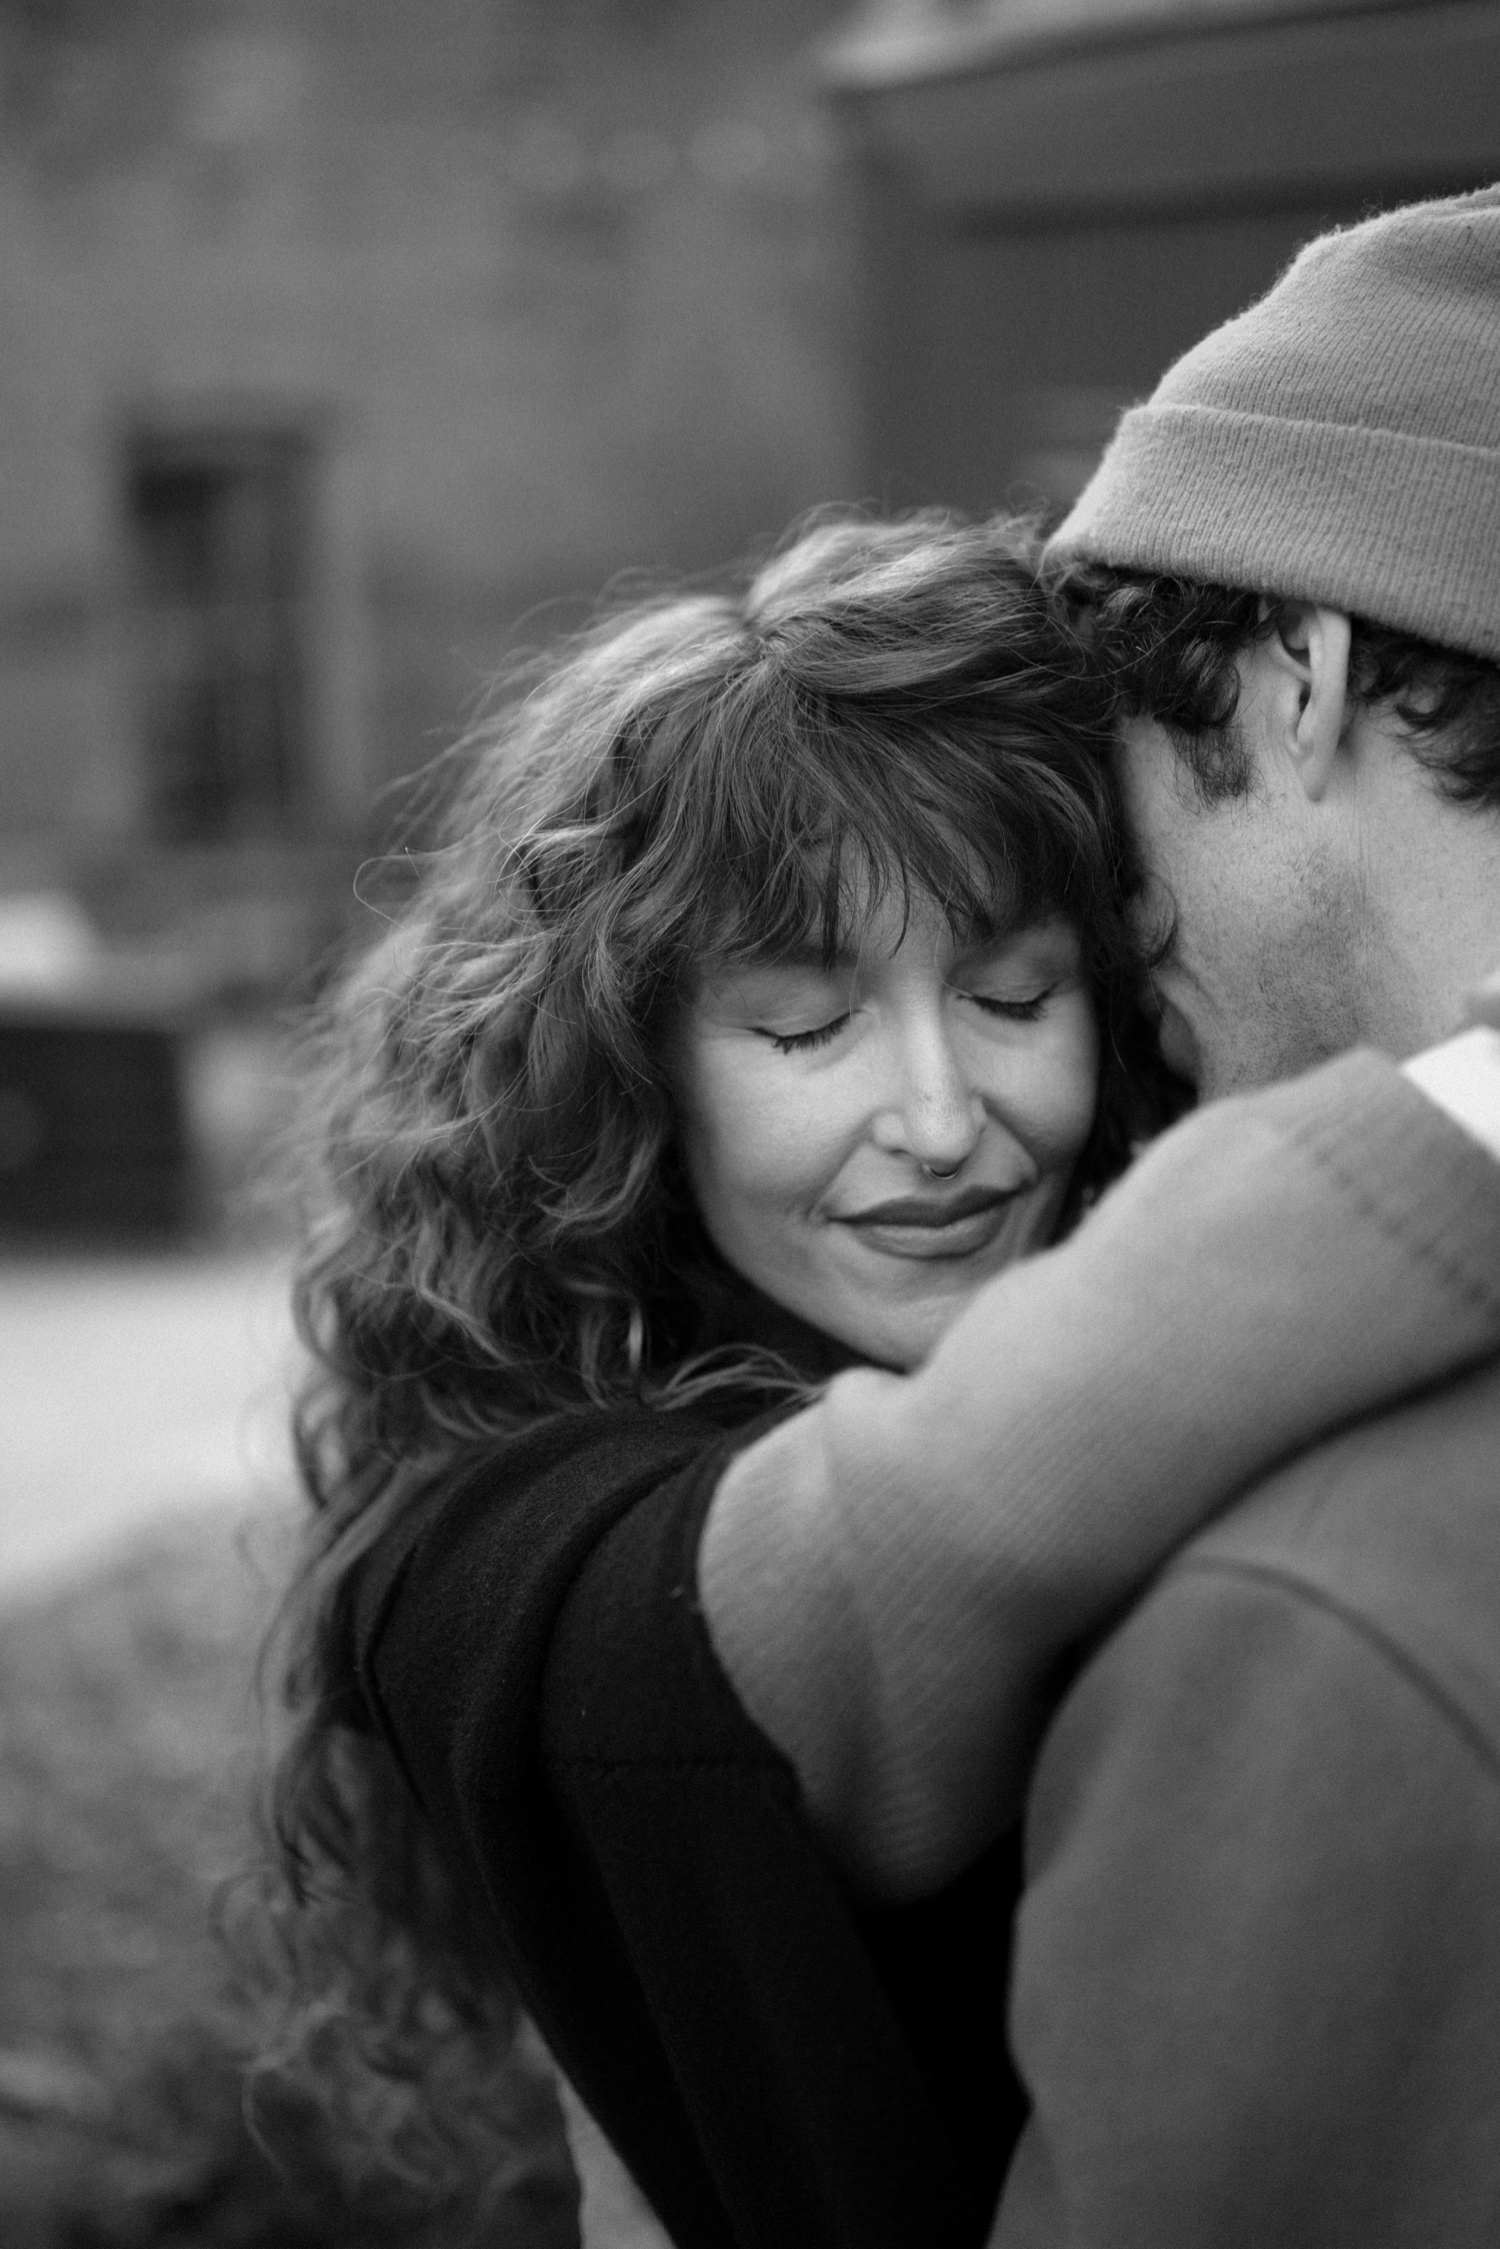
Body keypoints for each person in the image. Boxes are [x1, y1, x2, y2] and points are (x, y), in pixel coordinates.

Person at [265, 509, 1498, 2249]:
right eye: (802, 1026)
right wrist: (1461, 1112)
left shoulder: (1265, 1400)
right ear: (630, 1072)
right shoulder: (483, 1561)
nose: (934, 1122)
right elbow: (895, 1560)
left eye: (1014, 992)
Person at [710, 191, 1500, 2247]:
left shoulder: (1327, 1622)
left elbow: (757, 1658)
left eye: (1138, 761)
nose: (1119, 915)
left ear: (1305, 671)